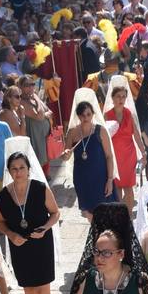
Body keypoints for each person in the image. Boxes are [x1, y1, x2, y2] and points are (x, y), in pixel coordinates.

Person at [0, 148, 61, 294]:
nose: (18, 172)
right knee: (29, 291)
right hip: (19, 246)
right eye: (14, 169)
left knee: (44, 291)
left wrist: (45, 228)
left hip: (41, 244)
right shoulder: (3, 196)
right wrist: (11, 235)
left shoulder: (40, 188)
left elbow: (55, 213)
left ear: (29, 169)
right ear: (9, 171)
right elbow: (1, 222)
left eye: (22, 167)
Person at [63, 88, 117, 218]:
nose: (85, 117)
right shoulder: (72, 132)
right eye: (82, 115)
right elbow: (66, 154)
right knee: (89, 214)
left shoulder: (100, 131)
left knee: (105, 211)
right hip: (82, 178)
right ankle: (95, 236)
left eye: (88, 114)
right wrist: (65, 153)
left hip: (100, 177)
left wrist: (109, 180)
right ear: (78, 116)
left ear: (93, 114)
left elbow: (109, 156)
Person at [104, 76, 144, 209]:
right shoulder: (107, 115)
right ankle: (119, 215)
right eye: (118, 96)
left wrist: (143, 152)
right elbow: (103, 137)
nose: (121, 99)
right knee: (116, 187)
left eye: (123, 96)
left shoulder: (129, 114)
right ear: (113, 98)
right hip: (114, 156)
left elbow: (137, 136)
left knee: (128, 187)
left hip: (128, 155)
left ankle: (129, 215)